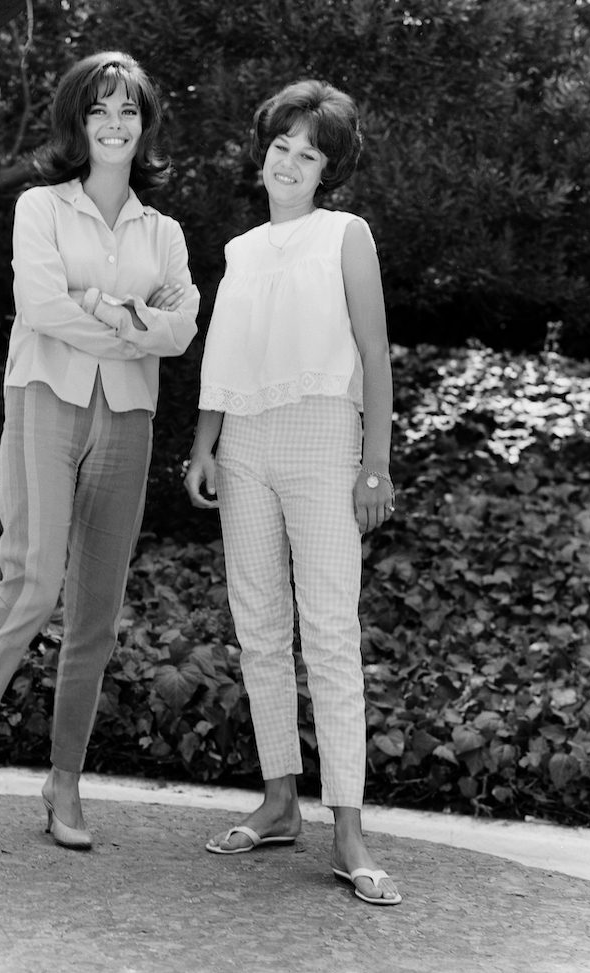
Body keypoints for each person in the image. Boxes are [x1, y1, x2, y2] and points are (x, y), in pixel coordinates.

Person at [0, 51, 199, 856]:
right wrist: (132, 312)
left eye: (129, 110)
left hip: (129, 413)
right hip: (44, 398)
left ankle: (63, 778)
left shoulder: (163, 231)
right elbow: (37, 306)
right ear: (78, 120)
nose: (115, 123)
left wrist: (109, 311)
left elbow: (184, 330)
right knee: (30, 581)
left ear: (145, 125)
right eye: (101, 108)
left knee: (97, 610)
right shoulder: (40, 208)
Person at [183, 79, 400, 905]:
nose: (289, 161)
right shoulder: (240, 251)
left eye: (308, 154)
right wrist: (202, 447)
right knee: (260, 622)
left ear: (327, 171)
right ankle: (280, 799)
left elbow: (375, 356)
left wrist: (374, 464)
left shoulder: (346, 236)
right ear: (263, 150)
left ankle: (348, 829)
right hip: (243, 443)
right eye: (281, 145)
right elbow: (223, 362)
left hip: (322, 436)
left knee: (331, 627)